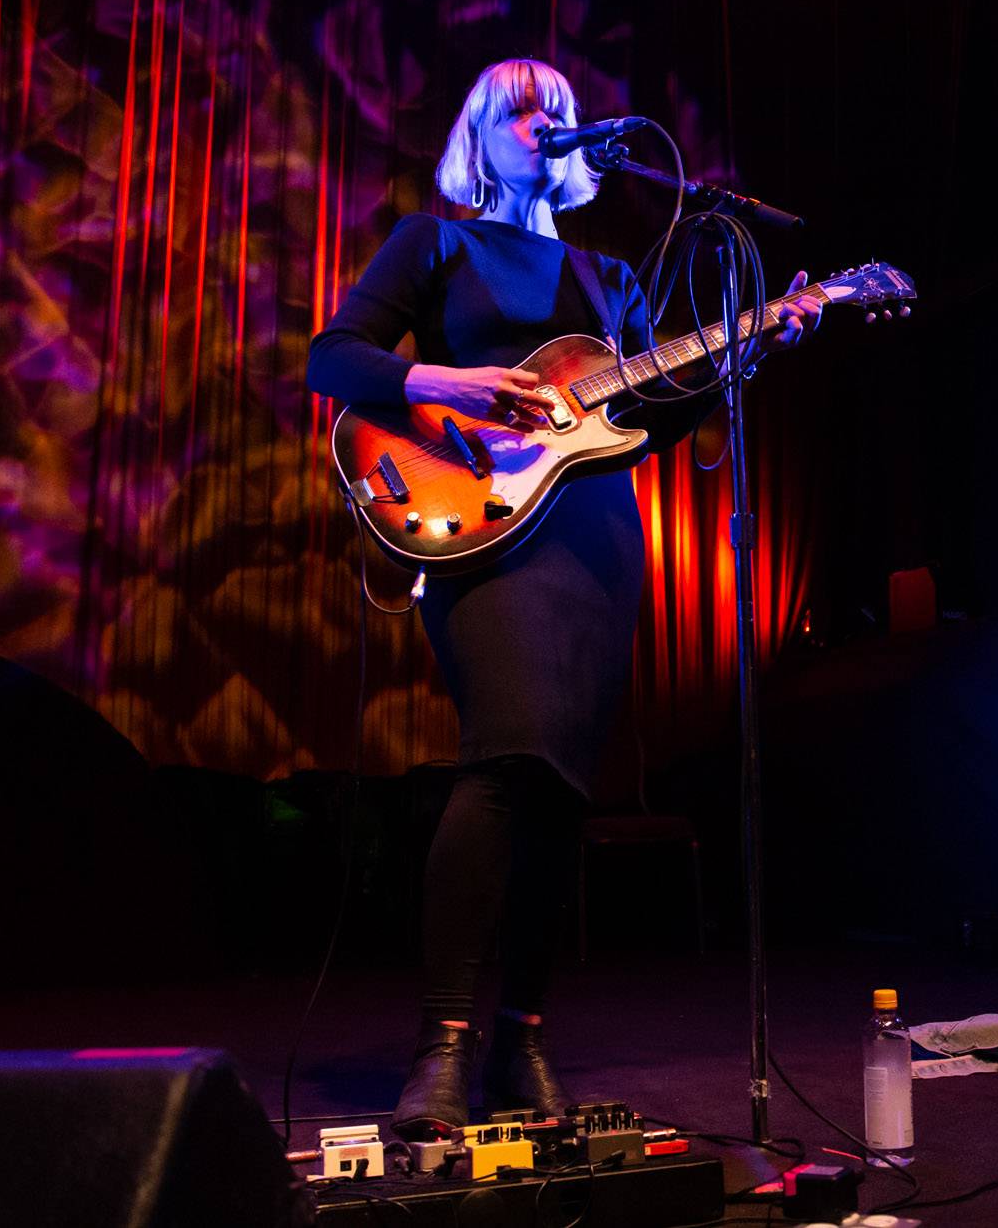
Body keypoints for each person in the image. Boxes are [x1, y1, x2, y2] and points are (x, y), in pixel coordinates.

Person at [306, 58, 823, 1138]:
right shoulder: (434, 240)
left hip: (594, 541)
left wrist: (753, 342)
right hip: (481, 526)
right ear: (480, 135)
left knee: (561, 795)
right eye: (521, 110)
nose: (545, 124)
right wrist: (446, 382)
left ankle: (520, 1040)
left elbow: (649, 419)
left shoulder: (609, 280)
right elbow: (334, 358)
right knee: (504, 760)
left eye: (560, 112)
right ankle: (440, 1047)